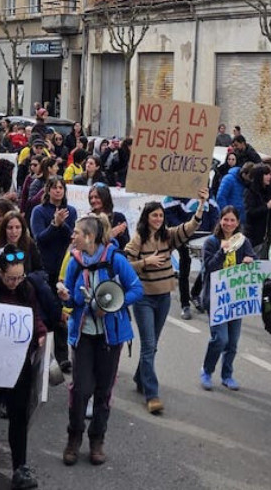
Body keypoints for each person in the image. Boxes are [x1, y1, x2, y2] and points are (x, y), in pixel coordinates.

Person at [56, 215, 144, 466]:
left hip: (110, 336)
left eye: (76, 233)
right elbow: (71, 298)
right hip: (83, 335)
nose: (72, 236)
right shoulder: (75, 261)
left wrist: (113, 304)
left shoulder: (116, 260)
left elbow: (136, 289)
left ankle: (97, 440)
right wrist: (65, 296)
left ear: (90, 237)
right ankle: (74, 438)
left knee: (103, 391)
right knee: (80, 389)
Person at [123, 187, 208, 415]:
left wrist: (201, 204)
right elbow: (124, 266)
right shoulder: (138, 239)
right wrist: (146, 262)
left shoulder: (168, 236)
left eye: (161, 215)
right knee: (148, 345)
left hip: (163, 297)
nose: (158, 219)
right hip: (143, 299)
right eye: (154, 215)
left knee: (152, 345)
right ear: (146, 217)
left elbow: (190, 227)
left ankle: (140, 377)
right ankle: (152, 395)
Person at [0, 246, 48, 490]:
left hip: (18, 361)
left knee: (19, 414)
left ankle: (20, 466)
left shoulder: (27, 289)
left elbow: (35, 316)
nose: (15, 283)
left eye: (19, 277)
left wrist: (40, 332)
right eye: (10, 278)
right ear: (0, 273)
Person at [199, 207, 254, 391]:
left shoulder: (243, 242)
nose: (229, 224)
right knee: (220, 339)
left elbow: (252, 259)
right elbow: (209, 268)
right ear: (220, 221)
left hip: (236, 299)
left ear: (237, 223)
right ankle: (207, 370)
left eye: (232, 220)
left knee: (232, 342)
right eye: (225, 220)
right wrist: (222, 251)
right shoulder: (211, 242)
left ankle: (227, 375)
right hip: (216, 299)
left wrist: (250, 260)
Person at [30, 177, 76, 370]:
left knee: (61, 312)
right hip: (45, 267)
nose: (58, 191)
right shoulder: (39, 211)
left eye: (61, 188)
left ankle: (62, 356)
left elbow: (72, 237)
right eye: (54, 187)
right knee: (45, 312)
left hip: (63, 268)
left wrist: (61, 224)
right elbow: (40, 238)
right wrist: (54, 224)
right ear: (48, 190)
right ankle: (43, 357)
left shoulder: (70, 211)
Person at [243, 162, 271, 255]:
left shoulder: (270, 190)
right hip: (254, 235)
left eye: (269, 174)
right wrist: (266, 207)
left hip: (268, 234)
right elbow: (250, 212)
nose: (269, 177)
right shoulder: (250, 192)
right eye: (266, 174)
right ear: (259, 176)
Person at [0, 210, 44, 274]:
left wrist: (28, 278)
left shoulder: (30, 244)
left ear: (22, 228)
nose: (14, 231)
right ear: (4, 229)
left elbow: (40, 270)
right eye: (10, 228)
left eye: (17, 227)